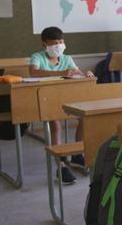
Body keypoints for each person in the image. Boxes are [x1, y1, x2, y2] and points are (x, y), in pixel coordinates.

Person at [29, 26, 94, 185]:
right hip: (47, 100)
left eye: (60, 42)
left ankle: (77, 155)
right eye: (54, 43)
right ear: (45, 44)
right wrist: (60, 73)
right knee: (56, 126)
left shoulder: (66, 58)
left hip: (67, 98)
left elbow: (77, 72)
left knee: (84, 119)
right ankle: (61, 165)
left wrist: (87, 74)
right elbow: (33, 72)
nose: (58, 45)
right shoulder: (38, 57)